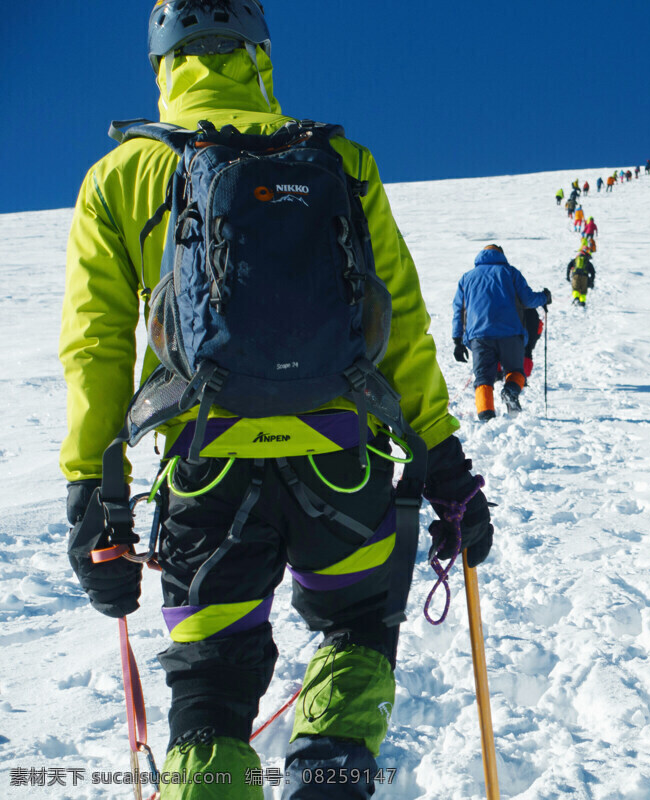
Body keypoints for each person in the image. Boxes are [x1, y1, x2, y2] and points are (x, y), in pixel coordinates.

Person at [59, 3, 494, 798]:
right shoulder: (338, 160)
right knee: (358, 627)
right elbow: (399, 323)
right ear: (259, 52)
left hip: (204, 472)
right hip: (339, 462)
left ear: (163, 59)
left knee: (210, 691)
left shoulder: (118, 178)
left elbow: (96, 348)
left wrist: (95, 492)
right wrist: (443, 461)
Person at [452, 245, 551, 420]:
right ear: (501, 255)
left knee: (483, 378)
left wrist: (457, 341)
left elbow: (459, 310)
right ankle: (511, 391)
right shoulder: (510, 273)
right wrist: (545, 297)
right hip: (510, 333)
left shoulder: (467, 278)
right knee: (515, 370)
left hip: (479, 337)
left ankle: (486, 417)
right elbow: (528, 300)